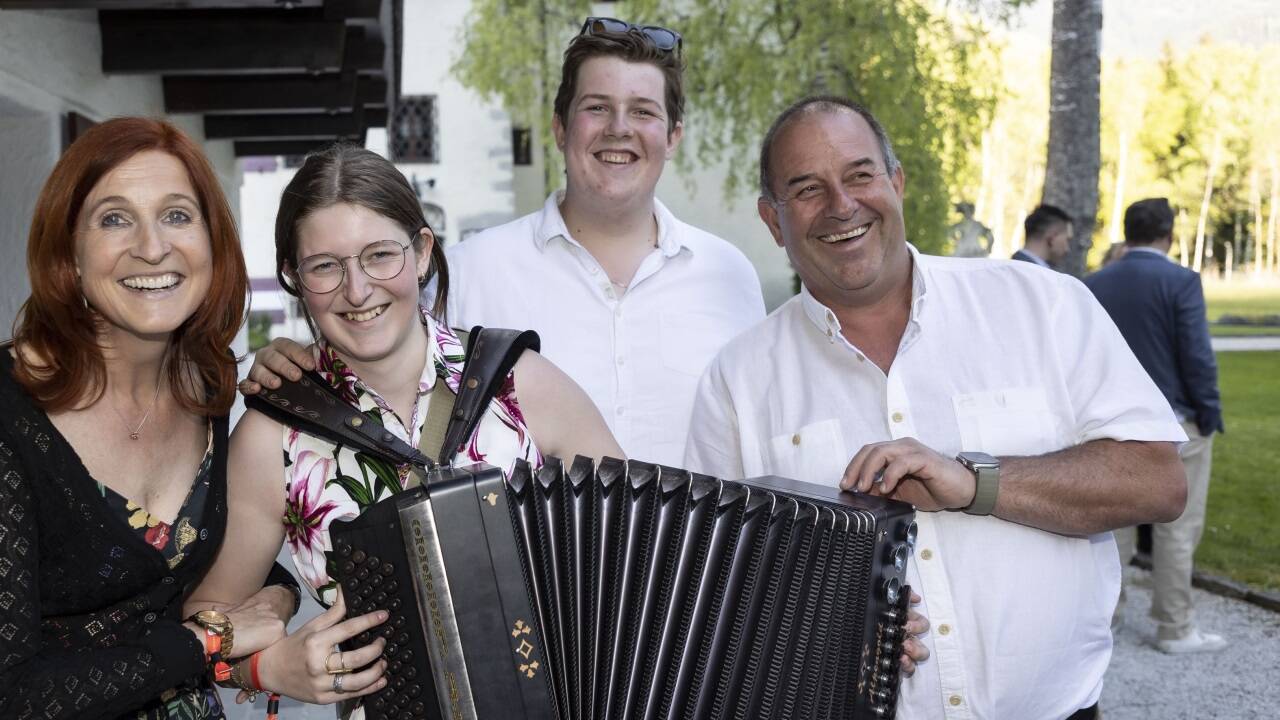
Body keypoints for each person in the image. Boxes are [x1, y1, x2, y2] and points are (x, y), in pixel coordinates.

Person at [684, 96, 1188, 719]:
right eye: (807, 188)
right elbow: (713, 597)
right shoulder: (736, 381)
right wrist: (822, 631)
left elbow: (1159, 482)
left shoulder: (1042, 305)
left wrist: (975, 482)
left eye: (860, 175)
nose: (842, 205)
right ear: (772, 219)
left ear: (896, 182)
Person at [189, 145, 623, 711]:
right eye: (326, 266)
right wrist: (266, 667)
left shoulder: (523, 384)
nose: (358, 289)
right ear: (294, 276)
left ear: (421, 253)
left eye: (379, 255)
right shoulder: (274, 439)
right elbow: (205, 628)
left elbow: (645, 554)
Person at [0, 118, 297, 718]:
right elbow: (10, 691)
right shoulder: (11, 418)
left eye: (177, 215)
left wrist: (281, 596)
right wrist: (212, 641)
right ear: (70, 254)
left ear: (213, 244)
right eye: (114, 218)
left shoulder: (207, 392)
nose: (153, 246)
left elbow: (194, 566)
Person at [443, 19, 765, 466]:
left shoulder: (731, 277)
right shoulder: (466, 274)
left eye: (643, 111)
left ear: (673, 136)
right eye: (597, 107)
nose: (619, 128)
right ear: (560, 128)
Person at [1084, 197, 1226, 654]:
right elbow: (1196, 355)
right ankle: (1174, 626)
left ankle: (1108, 615)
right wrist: (1209, 412)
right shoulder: (1181, 281)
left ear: (1129, 231)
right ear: (1168, 233)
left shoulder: (1093, 282)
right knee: (1178, 527)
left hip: (1108, 423)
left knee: (1115, 526)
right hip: (1173, 423)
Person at [1013, 203, 1073, 268]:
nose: (1067, 249)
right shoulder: (1038, 274)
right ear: (1052, 237)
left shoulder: (1006, 268)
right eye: (1067, 240)